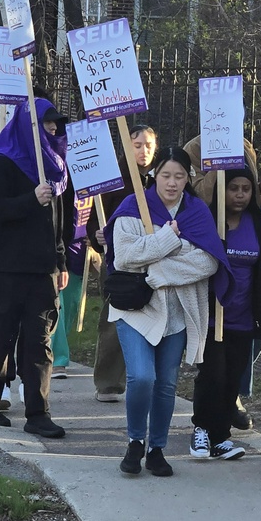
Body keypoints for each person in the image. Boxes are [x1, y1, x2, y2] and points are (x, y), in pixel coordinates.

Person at [107, 146, 232, 477]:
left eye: (179, 176)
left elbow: (207, 261)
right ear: (154, 175)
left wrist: (157, 272)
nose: (172, 183)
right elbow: (122, 257)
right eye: (166, 175)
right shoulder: (134, 207)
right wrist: (168, 239)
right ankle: (136, 441)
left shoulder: (197, 213)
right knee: (141, 377)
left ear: (188, 178)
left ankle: (157, 449)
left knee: (166, 384)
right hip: (136, 310)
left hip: (178, 312)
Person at [0, 98, 70, 438]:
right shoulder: (1, 161)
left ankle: (38, 412)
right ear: (30, 127)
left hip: (40, 269)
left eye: (57, 125)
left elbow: (56, 221)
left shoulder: (54, 168)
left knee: (39, 341)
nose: (54, 129)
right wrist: (31, 200)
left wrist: (60, 260)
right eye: (47, 124)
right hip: (5, 267)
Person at [190, 168, 261, 461]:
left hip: (243, 316)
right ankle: (202, 429)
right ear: (222, 190)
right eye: (233, 188)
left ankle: (221, 436)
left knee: (233, 378)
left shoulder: (258, 225)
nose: (239, 195)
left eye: (246, 189)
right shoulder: (208, 222)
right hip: (212, 315)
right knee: (212, 374)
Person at [92, 124, 159, 403]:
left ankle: (149, 376)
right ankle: (109, 381)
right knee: (114, 319)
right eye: (137, 145)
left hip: (155, 258)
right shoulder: (114, 176)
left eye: (148, 146)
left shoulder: (161, 177)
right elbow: (97, 214)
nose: (144, 151)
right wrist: (96, 234)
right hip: (119, 260)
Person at [51, 187, 94, 378]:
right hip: (57, 244)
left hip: (80, 250)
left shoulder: (95, 174)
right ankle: (57, 357)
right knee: (56, 305)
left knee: (71, 304)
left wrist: (94, 232)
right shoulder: (58, 172)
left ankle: (48, 345)